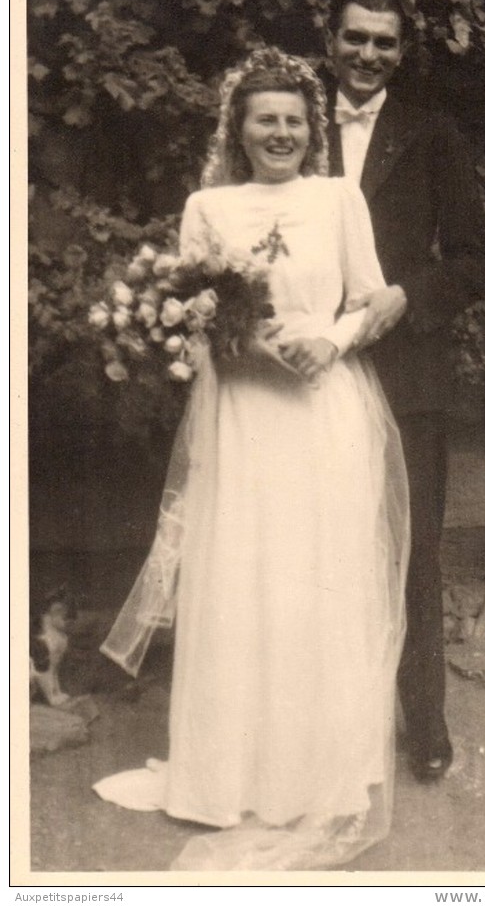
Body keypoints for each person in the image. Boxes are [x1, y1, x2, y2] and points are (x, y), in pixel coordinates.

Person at [94, 47, 410, 871]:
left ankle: (315, 777)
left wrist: (330, 340)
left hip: (321, 407)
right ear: (238, 126)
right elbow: (194, 318)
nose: (281, 132)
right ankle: (224, 776)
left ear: (314, 130)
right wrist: (248, 344)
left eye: (295, 120)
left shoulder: (338, 198)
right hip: (241, 415)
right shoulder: (208, 207)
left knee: (316, 578)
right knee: (241, 578)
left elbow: (373, 296)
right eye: (264, 118)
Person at [324, 0, 485, 782]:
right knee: (312, 546)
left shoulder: (431, 134)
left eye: (383, 44)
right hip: (309, 369)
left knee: (413, 548)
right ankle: (322, 724)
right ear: (330, 41)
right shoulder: (291, 122)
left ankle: (423, 723)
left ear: (401, 53)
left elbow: (474, 258)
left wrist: (408, 295)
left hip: (406, 372)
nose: (367, 55)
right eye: (354, 39)